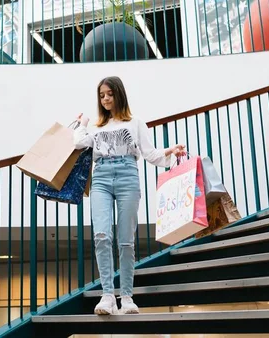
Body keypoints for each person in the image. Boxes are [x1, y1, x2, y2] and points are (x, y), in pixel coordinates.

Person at [73, 76, 186, 315]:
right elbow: (77, 144)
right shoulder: (95, 126)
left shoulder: (135, 123)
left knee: (125, 241)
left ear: (119, 94)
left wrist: (171, 151)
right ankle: (107, 295)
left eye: (109, 94)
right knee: (102, 236)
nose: (105, 99)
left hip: (127, 176)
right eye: (102, 95)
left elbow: (151, 155)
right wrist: (82, 122)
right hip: (101, 177)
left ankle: (126, 297)